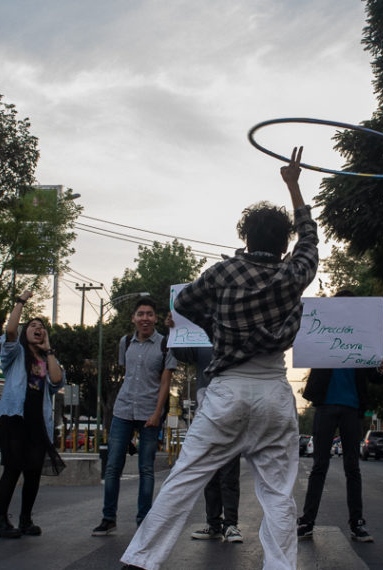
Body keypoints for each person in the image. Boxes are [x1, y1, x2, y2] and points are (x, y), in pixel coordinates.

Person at [120, 146, 316, 570]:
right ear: (283, 244)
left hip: (226, 392)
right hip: (274, 394)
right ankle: (281, 567)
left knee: (185, 478)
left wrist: (218, 326)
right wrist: (294, 185)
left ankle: (140, 561)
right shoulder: (293, 274)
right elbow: (311, 238)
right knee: (278, 494)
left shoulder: (223, 272)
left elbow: (186, 303)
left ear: (246, 239)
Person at [297, 294, 383, 542]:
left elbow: (374, 376)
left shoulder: (364, 337)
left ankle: (356, 523)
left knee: (353, 467)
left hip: (351, 408)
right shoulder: (323, 332)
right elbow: (304, 340)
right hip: (325, 406)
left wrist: (381, 369)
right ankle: (307, 521)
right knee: (319, 466)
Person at [92, 297, 178, 536]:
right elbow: (128, 374)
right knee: (112, 467)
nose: (145, 318)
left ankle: (144, 520)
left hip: (149, 413)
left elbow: (165, 382)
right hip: (123, 410)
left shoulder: (166, 344)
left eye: (149, 314)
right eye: (140, 314)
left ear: (156, 318)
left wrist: (157, 413)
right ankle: (108, 517)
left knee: (146, 469)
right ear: (133, 318)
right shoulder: (125, 342)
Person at [0, 289, 66, 538]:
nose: (38, 328)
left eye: (42, 326)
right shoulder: (15, 353)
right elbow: (11, 331)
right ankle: (0, 521)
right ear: (26, 332)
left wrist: (49, 350)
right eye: (33, 325)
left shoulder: (47, 359)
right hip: (14, 418)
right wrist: (20, 301)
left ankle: (25, 519)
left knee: (33, 471)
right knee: (12, 467)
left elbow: (57, 380)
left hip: (37, 423)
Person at [164, 313, 244, 544]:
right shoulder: (199, 338)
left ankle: (231, 525)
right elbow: (182, 354)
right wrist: (174, 331)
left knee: (229, 471)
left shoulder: (236, 335)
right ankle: (213, 524)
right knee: (210, 470)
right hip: (206, 414)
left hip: (232, 411)